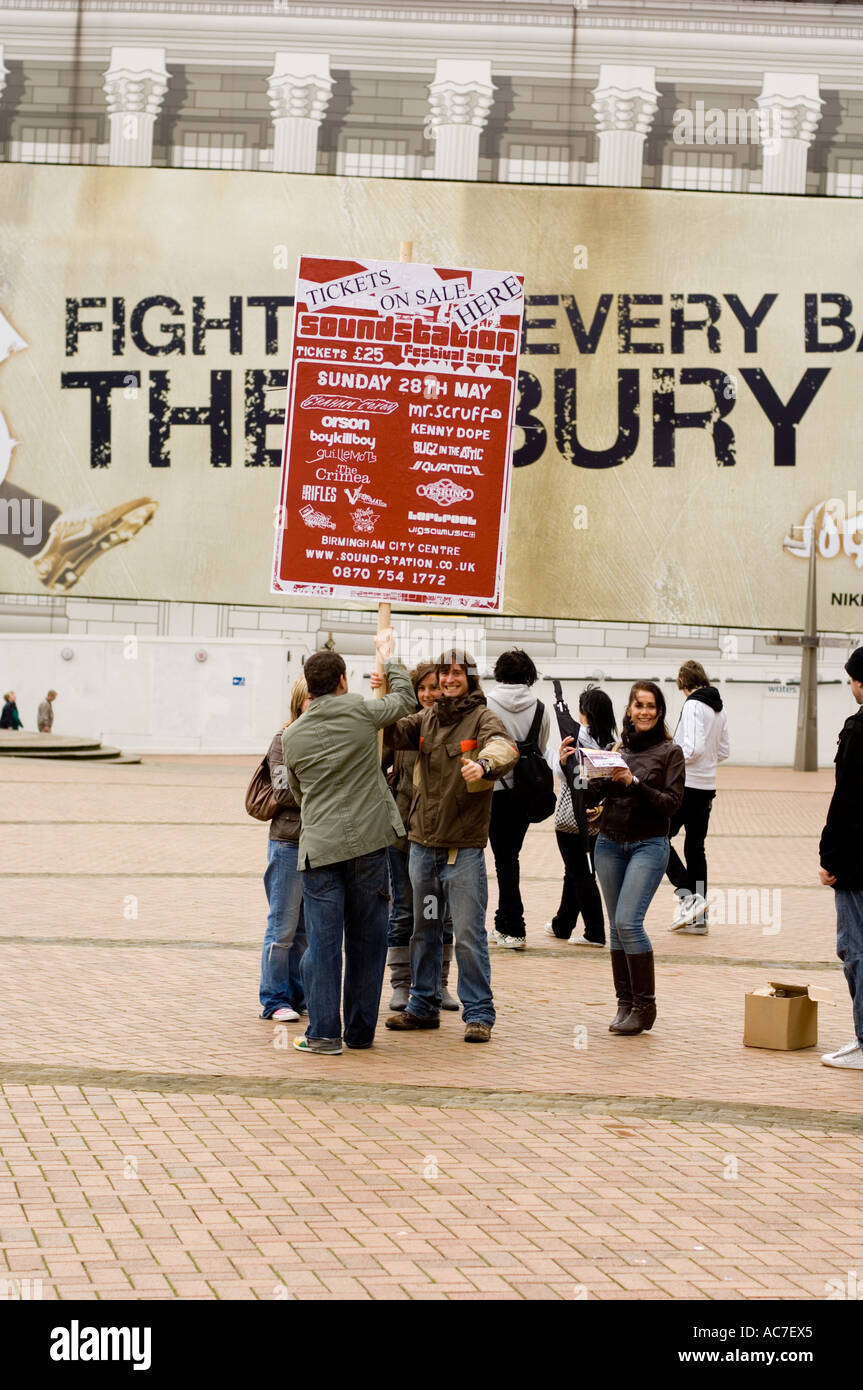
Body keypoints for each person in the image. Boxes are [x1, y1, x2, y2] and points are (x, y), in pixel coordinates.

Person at [280, 629, 415, 1055]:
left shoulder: (292, 736)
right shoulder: (359, 709)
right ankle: (360, 1032)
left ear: (309, 686)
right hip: (369, 842)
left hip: (319, 847)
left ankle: (323, 1034)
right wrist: (389, 657)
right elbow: (406, 702)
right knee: (368, 940)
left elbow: (299, 793)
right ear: (342, 681)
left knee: (323, 944)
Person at [384, 649, 518, 1043]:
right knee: (423, 930)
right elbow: (390, 732)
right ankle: (422, 1005)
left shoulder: (483, 717)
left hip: (462, 850)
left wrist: (484, 765)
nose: (448, 680)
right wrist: (385, 685)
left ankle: (479, 1014)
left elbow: (504, 748)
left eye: (457, 673)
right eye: (444, 674)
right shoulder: (426, 717)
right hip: (422, 847)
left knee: (468, 934)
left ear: (470, 678)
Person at [568, 681, 684, 1037]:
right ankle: (625, 1003)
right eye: (639, 706)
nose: (645, 712)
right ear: (629, 711)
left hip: (649, 845)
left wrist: (634, 782)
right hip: (609, 844)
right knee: (616, 927)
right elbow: (589, 801)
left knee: (629, 922)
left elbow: (672, 804)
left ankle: (645, 1006)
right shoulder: (615, 749)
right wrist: (574, 769)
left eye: (651, 706)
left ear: (659, 712)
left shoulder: (670, 752)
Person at [377, 663, 459, 1012]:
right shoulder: (404, 729)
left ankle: (439, 984)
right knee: (404, 909)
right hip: (402, 834)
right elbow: (373, 765)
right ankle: (401, 983)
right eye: (422, 688)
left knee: (442, 911)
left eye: (434, 687)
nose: (429, 694)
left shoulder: (454, 726)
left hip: (444, 833)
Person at [485, 649, 551, 950]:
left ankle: (513, 926)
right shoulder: (540, 707)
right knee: (509, 857)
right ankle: (505, 922)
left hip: (493, 791)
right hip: (526, 792)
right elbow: (540, 746)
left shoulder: (485, 703)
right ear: (529, 674)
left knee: (502, 859)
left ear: (500, 671)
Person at [544, 683, 617, 947]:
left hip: (571, 818)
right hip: (598, 818)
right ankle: (562, 924)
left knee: (581, 873)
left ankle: (595, 931)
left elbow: (566, 775)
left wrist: (561, 762)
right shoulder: (611, 744)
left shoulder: (576, 738)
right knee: (574, 871)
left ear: (584, 712)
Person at [819, 646, 863, 1070]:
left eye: (852, 679)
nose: (850, 686)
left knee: (855, 950)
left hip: (855, 864)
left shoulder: (857, 730)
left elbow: (845, 800)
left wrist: (828, 856)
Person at [259, 676, 310, 1024]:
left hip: (319, 843)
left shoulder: (331, 737)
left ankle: (297, 994)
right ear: (299, 702)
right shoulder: (284, 739)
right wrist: (325, 791)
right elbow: (283, 792)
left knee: (306, 929)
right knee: (283, 926)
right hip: (288, 841)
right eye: (311, 699)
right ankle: (273, 998)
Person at [666, 660, 730, 935]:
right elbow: (724, 750)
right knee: (695, 848)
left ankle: (689, 897)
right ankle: (699, 917)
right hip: (706, 786)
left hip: (686, 786)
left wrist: (671, 755)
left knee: (657, 838)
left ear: (683, 683)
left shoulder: (692, 705)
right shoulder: (719, 708)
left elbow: (691, 749)